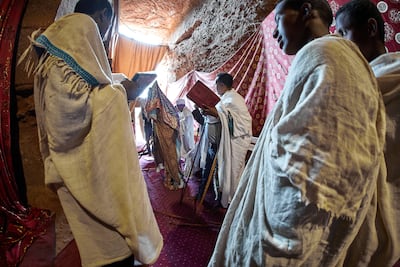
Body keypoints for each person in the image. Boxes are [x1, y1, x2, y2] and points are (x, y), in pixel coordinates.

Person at [208, 0, 386, 266]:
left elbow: (328, 158)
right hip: (286, 208)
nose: (275, 32)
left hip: (295, 219)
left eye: (279, 19)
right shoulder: (321, 55)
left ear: (305, 11)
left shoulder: (329, 54)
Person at [19, 0, 163, 266]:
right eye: (108, 25)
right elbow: (68, 119)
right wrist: (122, 93)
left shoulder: (62, 38)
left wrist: (116, 87)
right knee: (112, 247)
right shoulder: (82, 28)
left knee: (100, 246)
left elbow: (78, 92)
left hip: (76, 166)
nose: (106, 33)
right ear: (103, 14)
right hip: (86, 166)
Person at [335, 1, 400, 266]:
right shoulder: (356, 78)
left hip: (385, 197)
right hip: (347, 199)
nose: (340, 43)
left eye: (343, 33)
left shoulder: (394, 75)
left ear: (371, 28)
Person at [199, 72, 252, 208]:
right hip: (222, 141)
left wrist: (215, 113)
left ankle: (230, 198)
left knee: (232, 171)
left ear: (221, 85)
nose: (216, 87)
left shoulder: (233, 99)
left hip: (236, 141)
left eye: (217, 84)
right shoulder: (226, 99)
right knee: (222, 171)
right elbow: (223, 116)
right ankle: (223, 196)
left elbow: (238, 122)